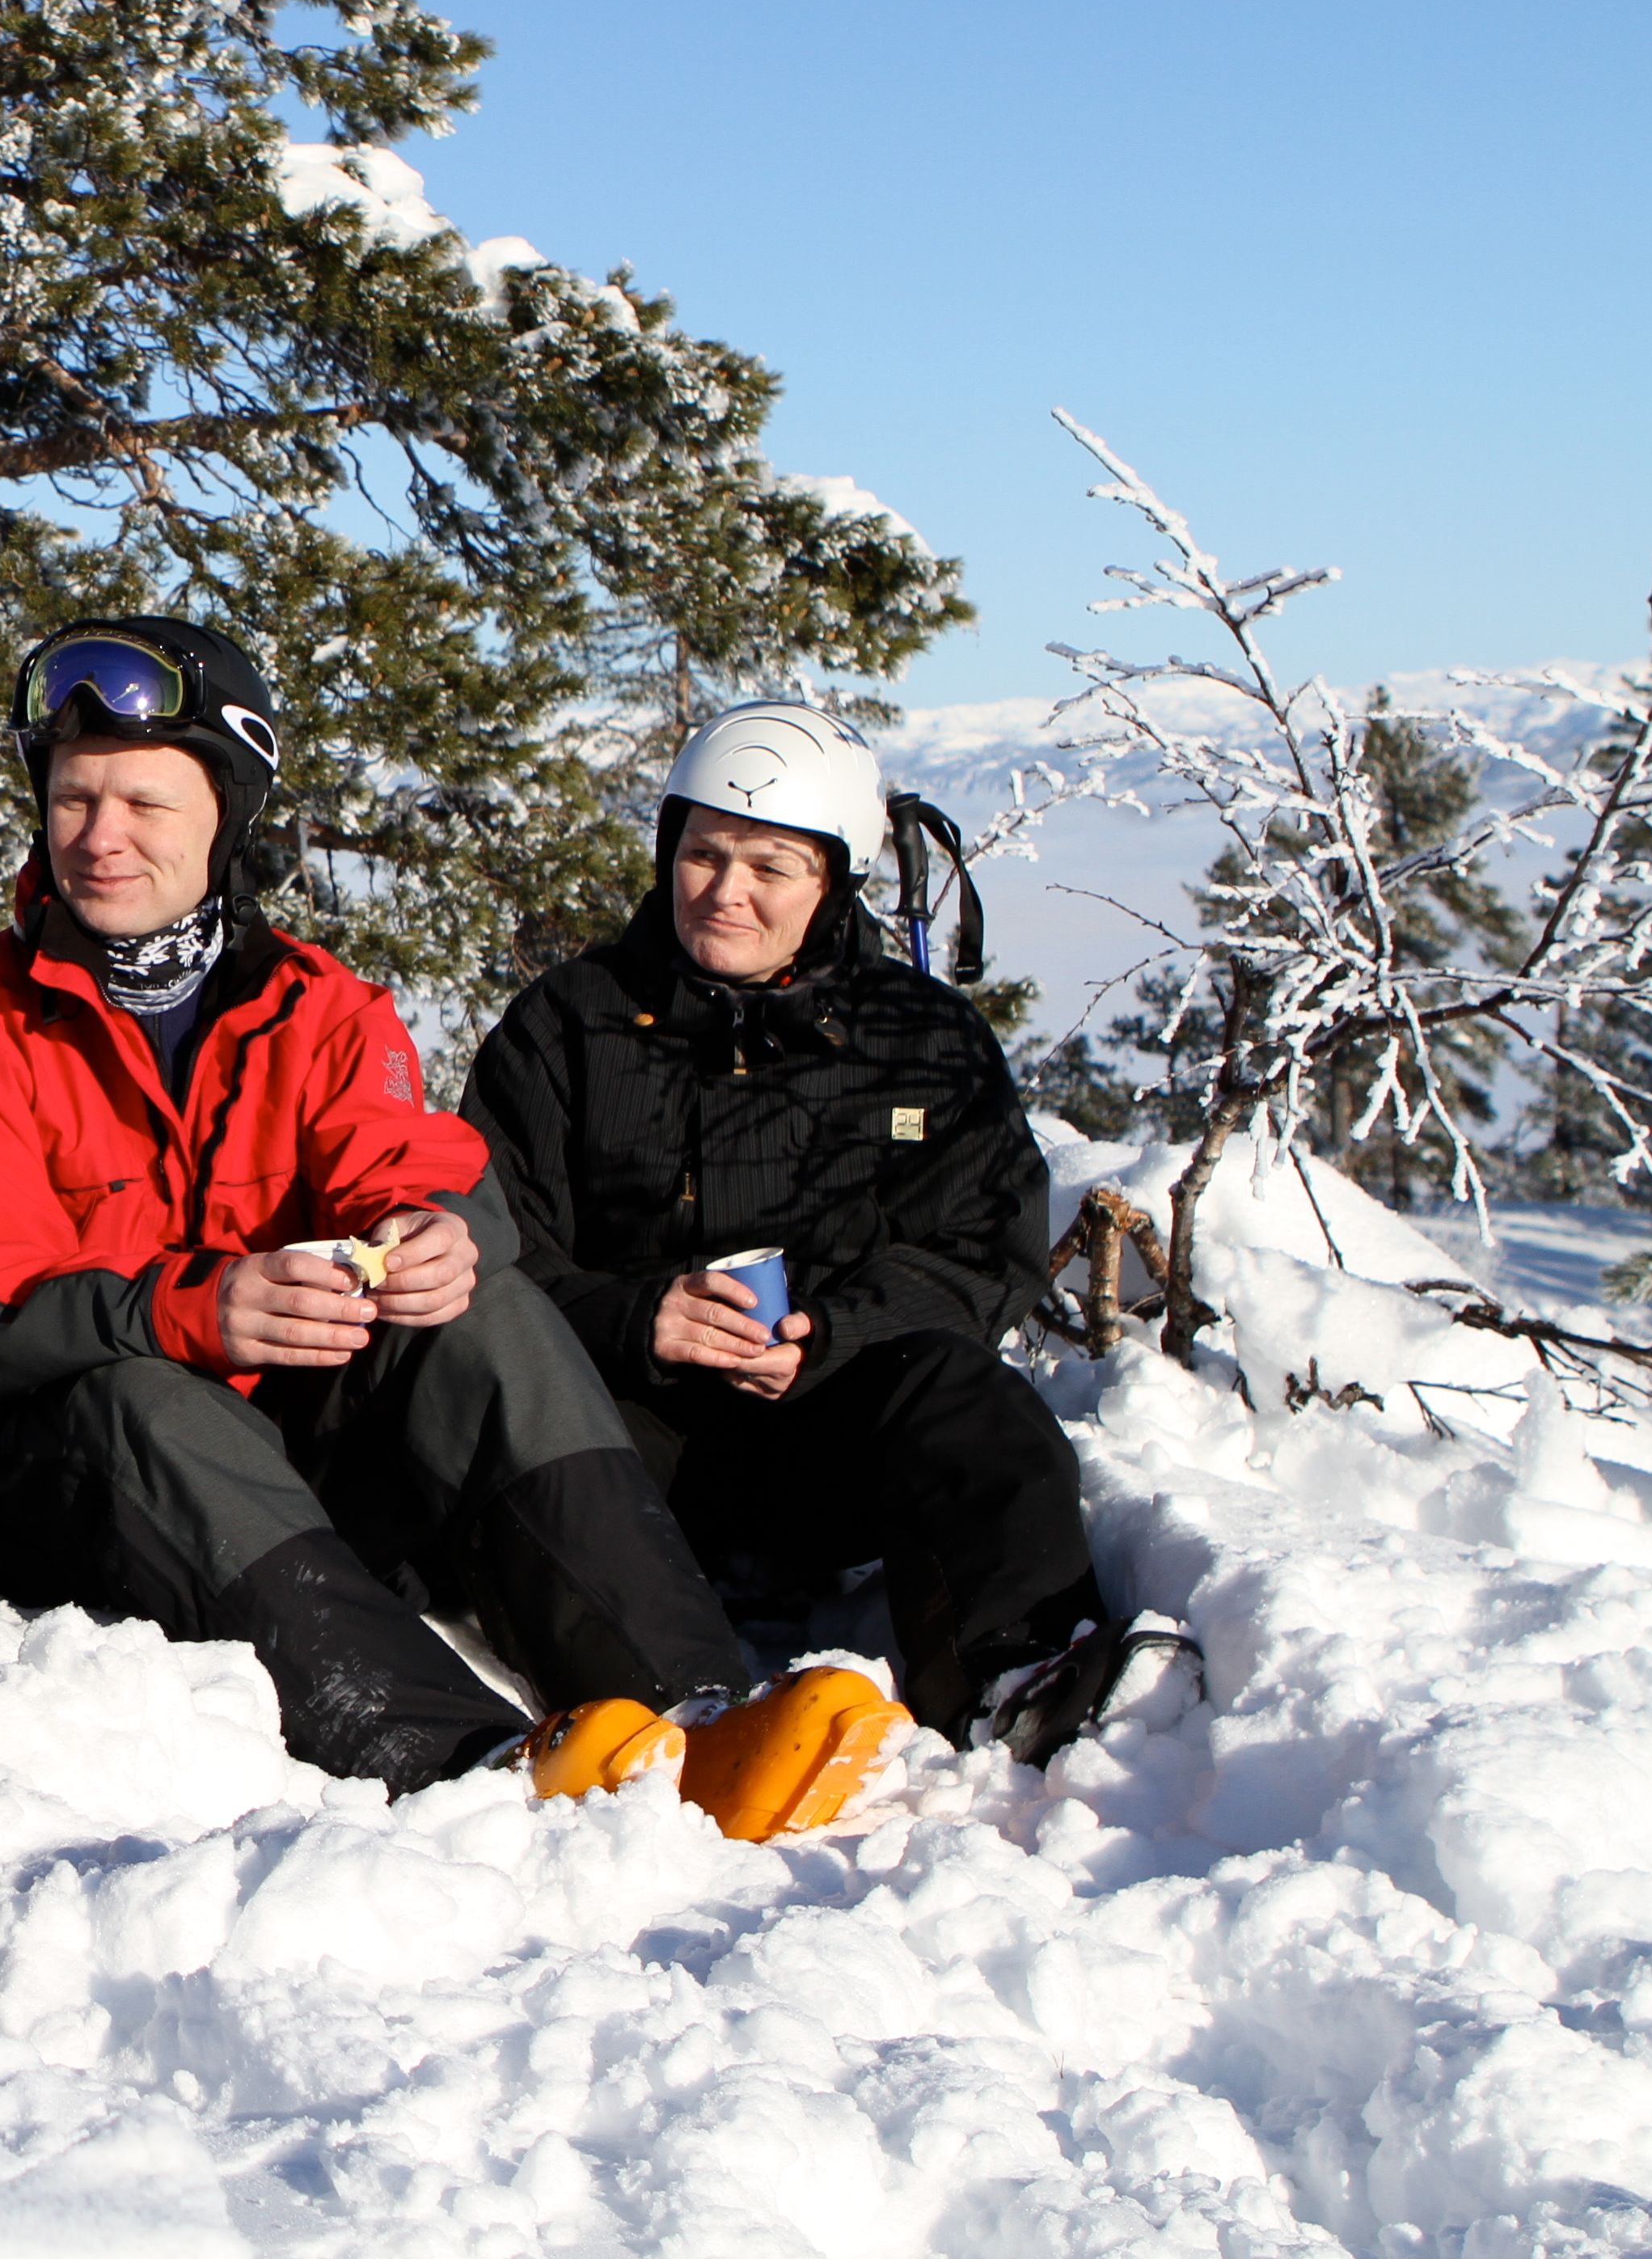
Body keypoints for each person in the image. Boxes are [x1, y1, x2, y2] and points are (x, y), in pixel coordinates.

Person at [0, 619, 902, 1836]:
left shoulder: (314, 1004)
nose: (100, 837)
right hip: (55, 1475)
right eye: (73, 800)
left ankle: (696, 1705)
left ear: (226, 814)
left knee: (483, 1305)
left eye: (144, 802)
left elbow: (414, 1161)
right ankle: (467, 1763)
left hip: (272, 1468)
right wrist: (192, 1309)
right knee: (140, 1390)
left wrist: (436, 1228)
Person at [463, 701, 1156, 1762]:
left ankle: (1017, 1668)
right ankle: (668, 1719)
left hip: (835, 1436)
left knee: (968, 1395)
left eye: (769, 868)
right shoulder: (568, 1027)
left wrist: (835, 1333)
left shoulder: (919, 1039)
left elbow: (985, 1247)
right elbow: (495, 1253)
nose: (723, 891)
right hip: (623, 1440)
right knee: (509, 1431)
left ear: (833, 881)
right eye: (702, 854)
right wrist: (637, 1320)